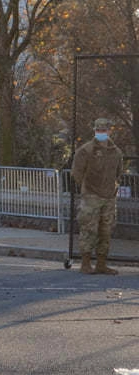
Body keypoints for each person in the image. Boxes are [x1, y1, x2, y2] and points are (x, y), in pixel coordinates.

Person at [72, 117, 124, 275]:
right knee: (89, 230)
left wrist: (111, 188)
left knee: (105, 231)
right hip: (91, 197)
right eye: (98, 130)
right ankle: (86, 263)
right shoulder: (86, 150)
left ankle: (101, 264)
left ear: (109, 131)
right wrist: (87, 188)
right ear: (94, 130)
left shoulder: (116, 152)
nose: (101, 132)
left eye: (104, 130)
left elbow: (118, 173)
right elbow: (76, 173)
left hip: (109, 197)